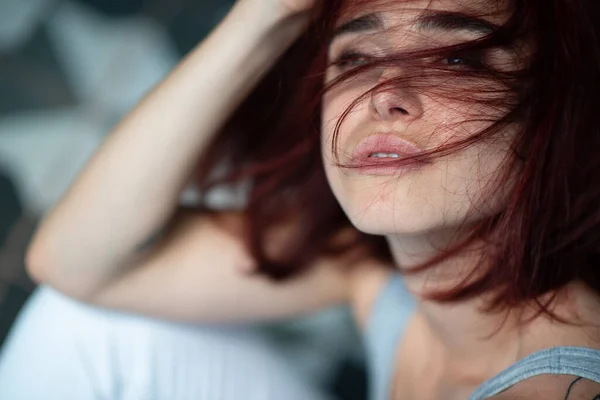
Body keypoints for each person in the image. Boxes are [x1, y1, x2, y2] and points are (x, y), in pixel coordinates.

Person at [1, 0, 600, 399]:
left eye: (457, 58)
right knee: (83, 324)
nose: (385, 94)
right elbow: (71, 263)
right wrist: (265, 18)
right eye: (356, 59)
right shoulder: (375, 272)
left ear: (552, 109)